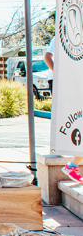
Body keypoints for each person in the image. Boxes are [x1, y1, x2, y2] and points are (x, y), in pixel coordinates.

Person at [44, 37, 83, 182]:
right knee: (73, 119)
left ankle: (72, 165)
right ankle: (71, 163)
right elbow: (47, 57)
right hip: (58, 80)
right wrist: (60, 75)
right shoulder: (63, 36)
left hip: (76, 80)